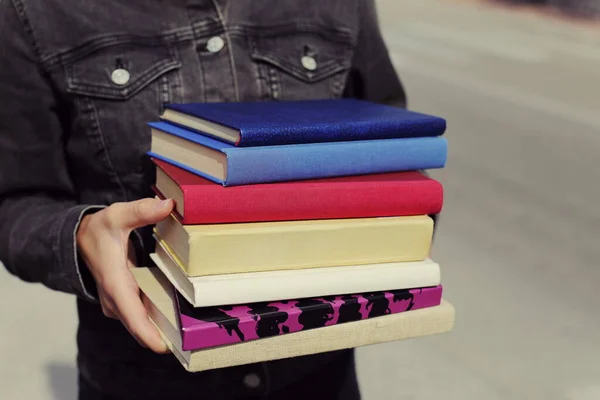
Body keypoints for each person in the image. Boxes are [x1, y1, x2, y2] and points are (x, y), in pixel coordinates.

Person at [0, 0, 407, 399]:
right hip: (145, 377)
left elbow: (397, 150)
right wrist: (82, 235)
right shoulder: (33, 12)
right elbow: (16, 199)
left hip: (318, 368)